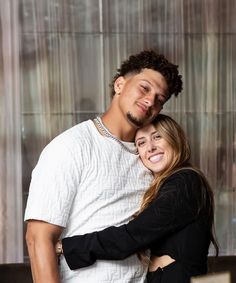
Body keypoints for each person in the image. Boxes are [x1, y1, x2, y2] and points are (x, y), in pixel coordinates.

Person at [24, 50, 183, 283]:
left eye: (160, 99)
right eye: (144, 88)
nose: (151, 101)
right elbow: (38, 238)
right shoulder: (71, 146)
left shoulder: (153, 159)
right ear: (120, 84)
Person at [56, 114, 219, 283]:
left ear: (175, 139)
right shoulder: (168, 185)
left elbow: (131, 237)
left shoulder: (186, 181)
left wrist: (64, 246)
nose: (150, 147)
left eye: (157, 137)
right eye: (141, 142)